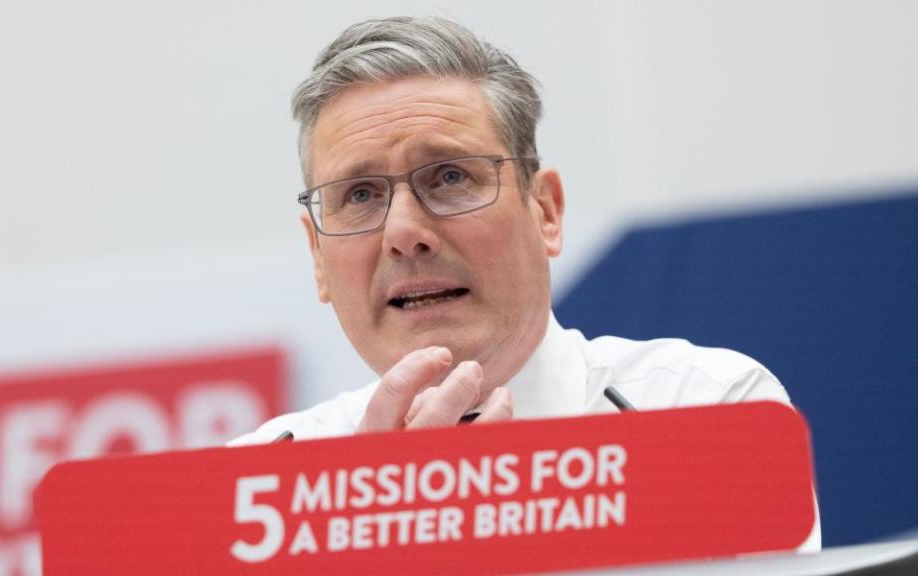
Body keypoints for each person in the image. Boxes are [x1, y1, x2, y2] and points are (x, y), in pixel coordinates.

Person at [230, 15, 819, 551]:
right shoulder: (256, 495)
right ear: (317, 255)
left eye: (450, 176)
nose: (404, 233)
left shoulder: (705, 416)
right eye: (359, 195)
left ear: (546, 213)